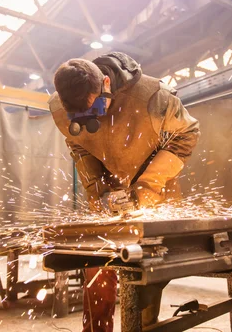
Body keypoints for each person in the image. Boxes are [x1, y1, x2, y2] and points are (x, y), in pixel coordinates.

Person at [49, 52, 200, 332]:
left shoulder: (154, 97)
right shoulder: (59, 106)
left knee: (144, 281)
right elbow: (79, 146)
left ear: (105, 82)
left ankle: (142, 326)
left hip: (154, 190)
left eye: (94, 111)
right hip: (109, 194)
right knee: (97, 268)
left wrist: (146, 188)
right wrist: (99, 191)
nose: (93, 120)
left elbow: (187, 134)